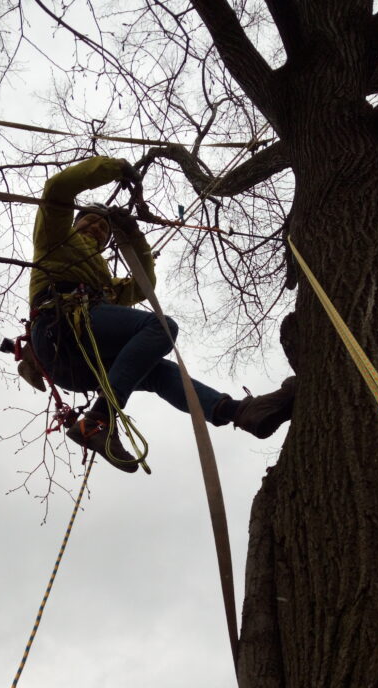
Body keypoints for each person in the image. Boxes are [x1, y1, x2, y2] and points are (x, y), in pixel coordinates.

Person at [29, 155, 295, 472]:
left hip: (78, 365)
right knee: (159, 326)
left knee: (157, 371)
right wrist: (116, 168)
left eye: (104, 228)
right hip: (59, 331)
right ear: (74, 221)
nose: (97, 229)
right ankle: (99, 419)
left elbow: (144, 286)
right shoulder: (55, 240)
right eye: (90, 221)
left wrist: (134, 235)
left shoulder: (105, 284)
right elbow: (57, 188)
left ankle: (236, 411)